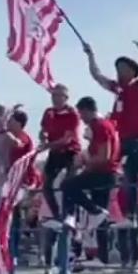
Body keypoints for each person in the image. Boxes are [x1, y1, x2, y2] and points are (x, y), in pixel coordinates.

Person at [85, 40, 138, 227]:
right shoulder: (118, 89)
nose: (119, 71)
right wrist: (90, 56)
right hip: (121, 140)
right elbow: (97, 76)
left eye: (123, 67)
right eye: (117, 68)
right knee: (127, 178)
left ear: (132, 71)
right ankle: (129, 215)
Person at [60, 97, 120, 231]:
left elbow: (105, 157)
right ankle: (97, 216)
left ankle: (85, 212)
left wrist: (83, 160)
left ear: (86, 111)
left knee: (67, 185)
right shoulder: (105, 125)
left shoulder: (99, 126)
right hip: (105, 173)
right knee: (100, 223)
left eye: (81, 114)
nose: (81, 119)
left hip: (103, 174)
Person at [40, 85, 81, 229]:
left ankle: (70, 215)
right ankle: (57, 216)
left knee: (69, 183)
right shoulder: (48, 113)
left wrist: (47, 145)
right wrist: (44, 137)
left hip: (70, 152)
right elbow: (43, 130)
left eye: (59, 96)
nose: (55, 99)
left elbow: (67, 139)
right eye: (53, 96)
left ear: (66, 98)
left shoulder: (73, 114)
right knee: (46, 185)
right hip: (54, 152)